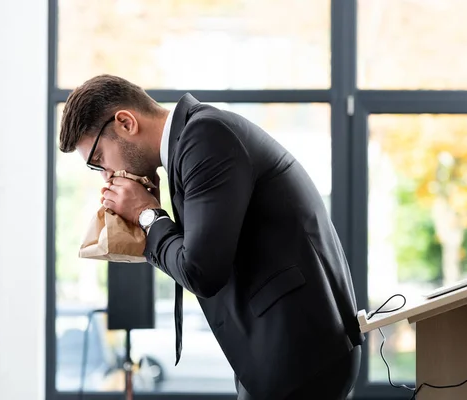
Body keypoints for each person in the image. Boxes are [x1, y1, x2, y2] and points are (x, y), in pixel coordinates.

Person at [59, 74, 364, 400]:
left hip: (299, 354)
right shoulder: (194, 141)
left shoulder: (205, 137)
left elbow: (201, 270)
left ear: (125, 123)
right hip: (282, 353)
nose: (107, 175)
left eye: (98, 160)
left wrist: (147, 216)